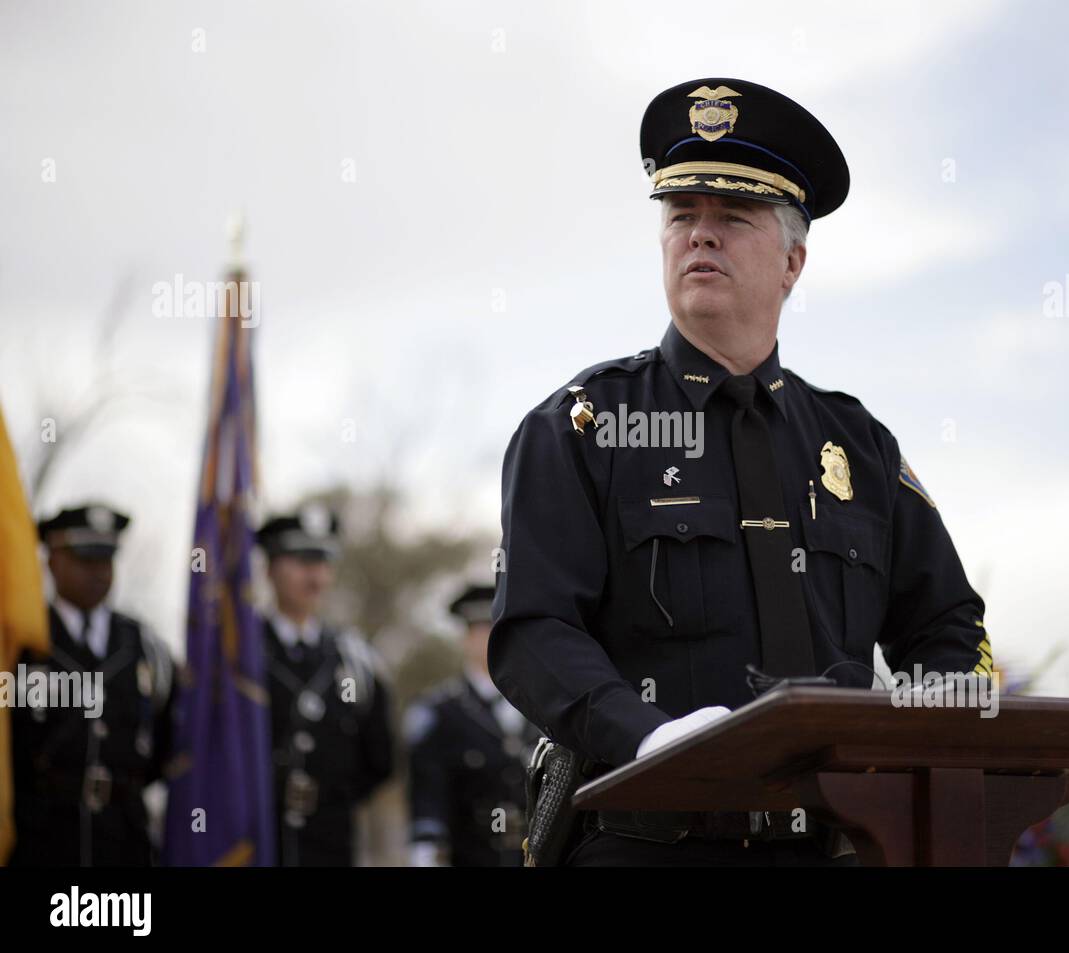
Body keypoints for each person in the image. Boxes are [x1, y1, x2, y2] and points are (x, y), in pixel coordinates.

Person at [489, 78, 994, 866]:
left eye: (733, 218)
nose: (700, 236)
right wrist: (649, 735)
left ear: (792, 261)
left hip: (834, 844)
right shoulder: (581, 427)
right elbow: (533, 630)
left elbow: (946, 629)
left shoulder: (860, 447)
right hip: (645, 842)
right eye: (681, 216)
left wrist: (921, 739)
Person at [10, 503, 174, 866]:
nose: (98, 572)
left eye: (106, 560)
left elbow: (164, 745)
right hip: (42, 842)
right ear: (52, 560)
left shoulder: (144, 648)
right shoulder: (23, 645)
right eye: (85, 560)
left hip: (123, 842)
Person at [255, 506, 394, 866]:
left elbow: (380, 759)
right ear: (270, 567)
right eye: (302, 561)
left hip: (330, 843)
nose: (315, 576)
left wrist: (331, 798)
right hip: (254, 840)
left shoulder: (355, 660)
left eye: (323, 562)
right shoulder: (240, 658)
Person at [405, 584, 540, 866]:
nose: (488, 638)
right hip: (470, 855)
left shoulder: (538, 705)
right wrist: (426, 848)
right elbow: (429, 789)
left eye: (495, 626)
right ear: (466, 636)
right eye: (480, 629)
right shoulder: (442, 712)